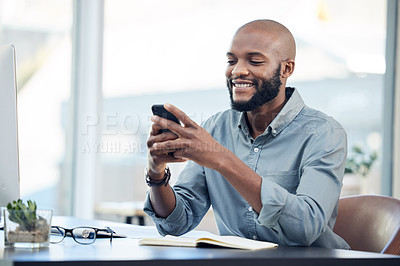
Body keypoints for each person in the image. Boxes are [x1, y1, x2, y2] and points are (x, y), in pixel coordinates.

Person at [143, 19, 350, 249]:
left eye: (255, 61)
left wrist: (222, 160)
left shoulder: (324, 133)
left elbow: (305, 228)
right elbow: (176, 223)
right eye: (232, 60)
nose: (237, 70)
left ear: (287, 69)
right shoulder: (216, 128)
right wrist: (157, 173)